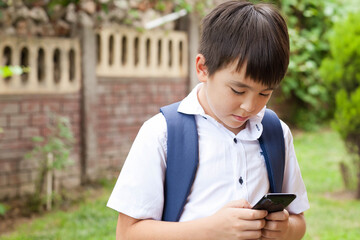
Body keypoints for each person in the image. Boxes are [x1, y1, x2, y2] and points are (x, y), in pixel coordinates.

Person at [107, 1, 310, 239]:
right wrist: (212, 230)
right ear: (203, 68)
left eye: (265, 93)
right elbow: (127, 233)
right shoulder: (162, 134)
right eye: (237, 90)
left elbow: (299, 222)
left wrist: (285, 229)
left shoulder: (276, 132)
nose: (249, 106)